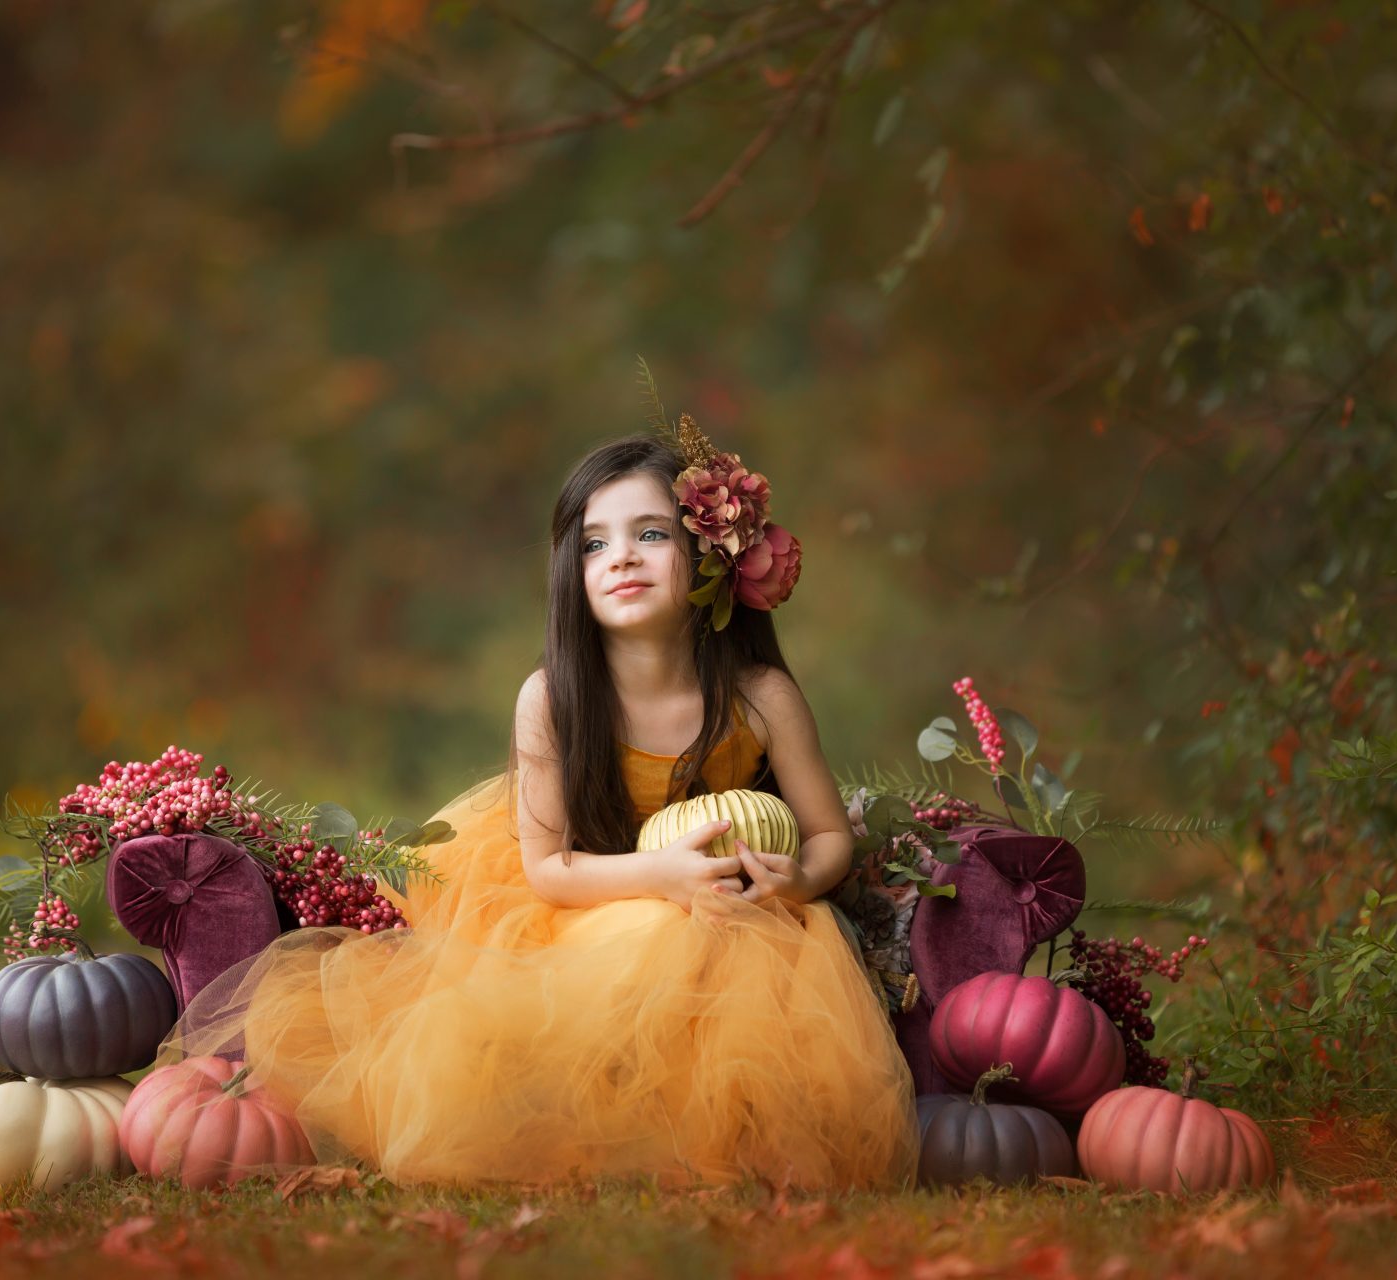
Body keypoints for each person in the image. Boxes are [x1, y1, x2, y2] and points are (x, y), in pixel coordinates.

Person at [161, 417, 918, 1189]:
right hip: (591, 897)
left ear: (709, 556)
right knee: (646, 939)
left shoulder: (761, 697)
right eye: (594, 543)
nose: (619, 555)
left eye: (650, 533)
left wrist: (792, 881)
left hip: (739, 903)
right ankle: (608, 1138)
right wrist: (661, 877)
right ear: (571, 573)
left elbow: (829, 837)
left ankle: (727, 1143)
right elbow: (551, 870)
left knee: (744, 958)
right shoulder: (554, 700)